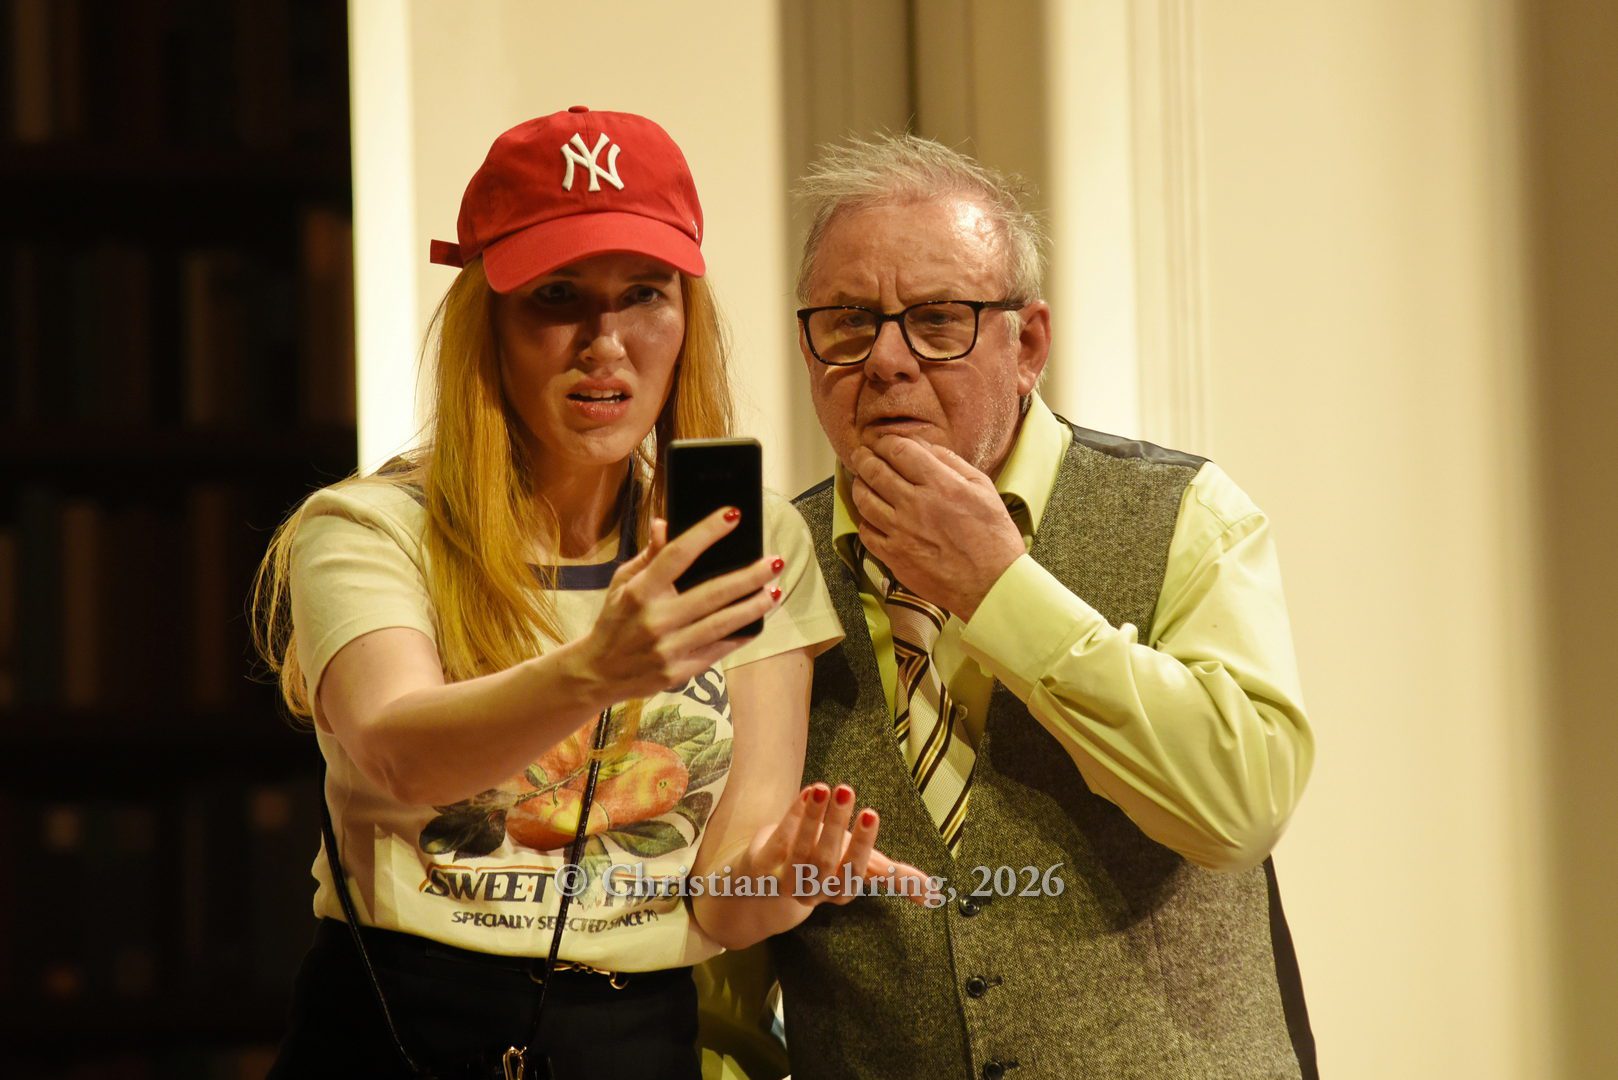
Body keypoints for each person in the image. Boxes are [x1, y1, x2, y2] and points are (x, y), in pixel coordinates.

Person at [252, 108, 929, 1080]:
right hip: (401, 1027)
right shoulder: (369, 527)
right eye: (557, 296)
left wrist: (786, 880)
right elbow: (399, 754)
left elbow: (720, 900)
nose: (604, 343)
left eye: (644, 294)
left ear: (686, 319)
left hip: (633, 1039)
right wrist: (596, 670)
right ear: (488, 323)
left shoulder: (756, 540)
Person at [766, 133, 1319, 1079]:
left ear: (1027, 345)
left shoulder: (1186, 513)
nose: (887, 360)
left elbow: (1240, 807)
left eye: (938, 320)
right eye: (849, 323)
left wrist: (999, 591)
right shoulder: (773, 567)